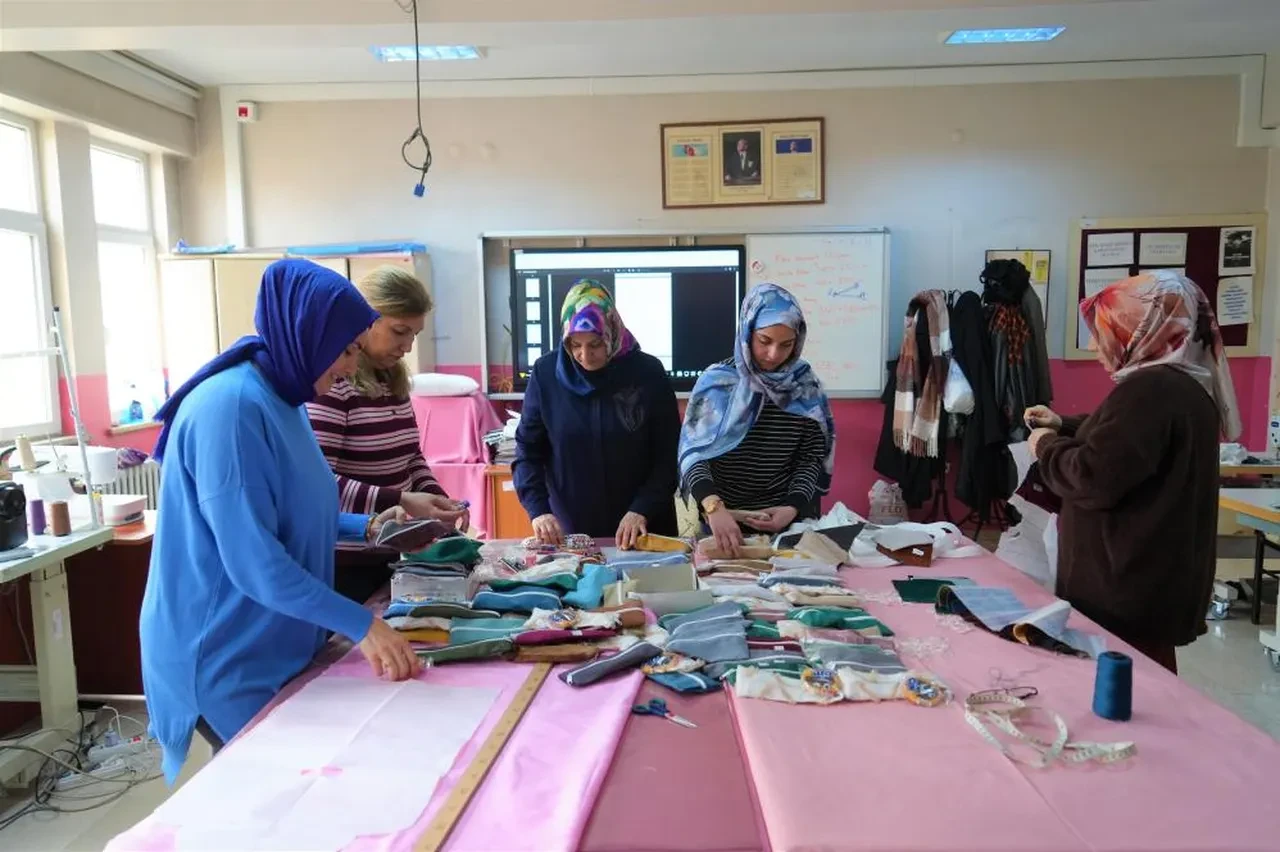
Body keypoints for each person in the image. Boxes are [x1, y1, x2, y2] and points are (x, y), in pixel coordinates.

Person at [140, 259, 422, 783]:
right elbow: (257, 564)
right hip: (223, 652)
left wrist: (368, 527)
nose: (350, 366)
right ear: (306, 334)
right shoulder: (231, 409)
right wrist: (364, 625)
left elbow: (295, 510)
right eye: (345, 350)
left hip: (272, 640)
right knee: (271, 791)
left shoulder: (286, 398)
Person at [1026, 270, 1240, 674]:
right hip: (1155, 586)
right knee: (1148, 686)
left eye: (1105, 331)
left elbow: (1092, 476)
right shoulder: (1186, 386)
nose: (1095, 345)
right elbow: (1125, 440)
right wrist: (1064, 424)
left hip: (1126, 592)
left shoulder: (1149, 391)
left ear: (1143, 328)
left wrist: (1046, 447)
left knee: (1128, 691)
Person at [307, 265, 467, 604]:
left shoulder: (391, 381)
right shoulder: (333, 385)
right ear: (366, 321)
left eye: (414, 335)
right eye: (399, 332)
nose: (407, 347)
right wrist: (400, 500)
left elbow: (411, 457)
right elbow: (317, 483)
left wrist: (437, 499)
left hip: (389, 553)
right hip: (344, 563)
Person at [514, 280, 679, 548]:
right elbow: (528, 451)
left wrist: (642, 509)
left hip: (644, 526)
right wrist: (538, 510)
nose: (585, 356)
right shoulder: (546, 374)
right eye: (575, 345)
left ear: (611, 332)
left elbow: (668, 454)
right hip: (574, 528)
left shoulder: (647, 372)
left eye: (595, 344)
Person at [679, 283, 835, 556]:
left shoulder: (805, 387)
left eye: (786, 345)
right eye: (764, 341)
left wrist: (792, 506)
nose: (774, 355)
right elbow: (694, 454)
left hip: (786, 523)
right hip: (722, 520)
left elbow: (810, 457)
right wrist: (713, 506)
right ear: (747, 331)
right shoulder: (717, 383)